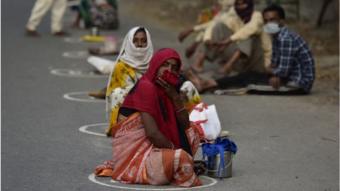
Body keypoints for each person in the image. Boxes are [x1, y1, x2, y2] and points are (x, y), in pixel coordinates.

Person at [95, 48, 203, 187]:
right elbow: (152, 133)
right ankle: (157, 169)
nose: (168, 70)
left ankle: (173, 165)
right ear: (156, 65)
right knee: (180, 157)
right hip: (136, 154)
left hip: (157, 145)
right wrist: (175, 149)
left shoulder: (169, 86)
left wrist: (175, 98)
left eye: (174, 67)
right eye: (165, 65)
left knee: (193, 131)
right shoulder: (147, 86)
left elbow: (185, 126)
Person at [187, 4, 315, 95]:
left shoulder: (286, 38)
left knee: (249, 83)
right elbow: (275, 63)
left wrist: (276, 73)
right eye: (266, 21)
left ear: (281, 21)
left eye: (273, 20)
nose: (269, 23)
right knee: (250, 76)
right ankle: (209, 84)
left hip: (296, 84)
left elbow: (283, 70)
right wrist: (274, 71)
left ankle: (207, 85)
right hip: (288, 78)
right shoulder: (278, 36)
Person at [190, 0, 272, 75]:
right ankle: (199, 61)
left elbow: (250, 29)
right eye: (238, 4)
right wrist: (207, 39)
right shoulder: (234, 17)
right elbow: (214, 24)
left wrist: (229, 40)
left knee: (247, 36)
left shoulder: (257, 16)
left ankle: (228, 66)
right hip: (240, 61)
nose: (240, 7)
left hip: (255, 62)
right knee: (219, 26)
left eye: (243, 4)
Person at [102, 26, 154, 136]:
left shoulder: (154, 63)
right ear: (130, 42)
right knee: (117, 93)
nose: (139, 44)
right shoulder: (121, 66)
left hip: (150, 108)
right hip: (129, 109)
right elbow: (113, 95)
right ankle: (122, 128)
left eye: (144, 41)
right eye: (135, 41)